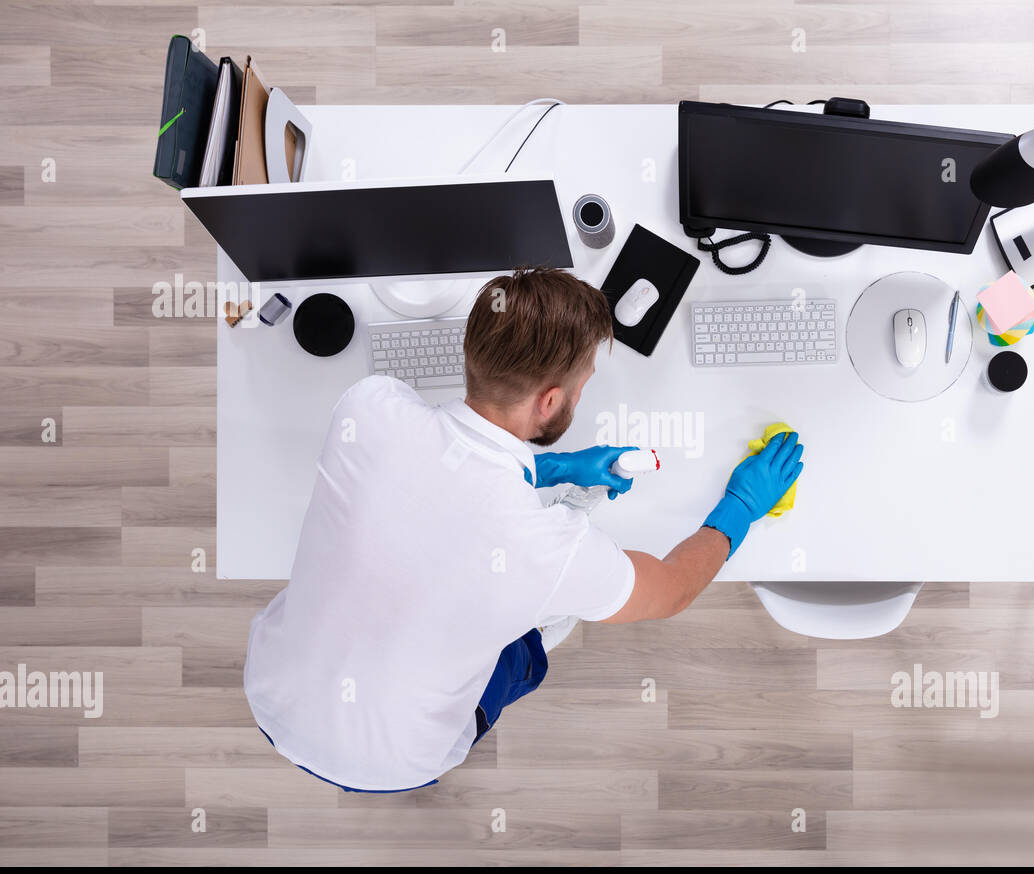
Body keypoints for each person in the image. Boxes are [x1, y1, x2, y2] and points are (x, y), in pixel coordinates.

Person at [243, 267, 804, 792]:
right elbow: (673, 590)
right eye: (585, 382)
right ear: (552, 400)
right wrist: (741, 506)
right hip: (398, 764)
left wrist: (557, 465)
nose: (583, 392)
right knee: (527, 645)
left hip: (271, 694)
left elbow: (455, 457)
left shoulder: (368, 408)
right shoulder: (549, 549)